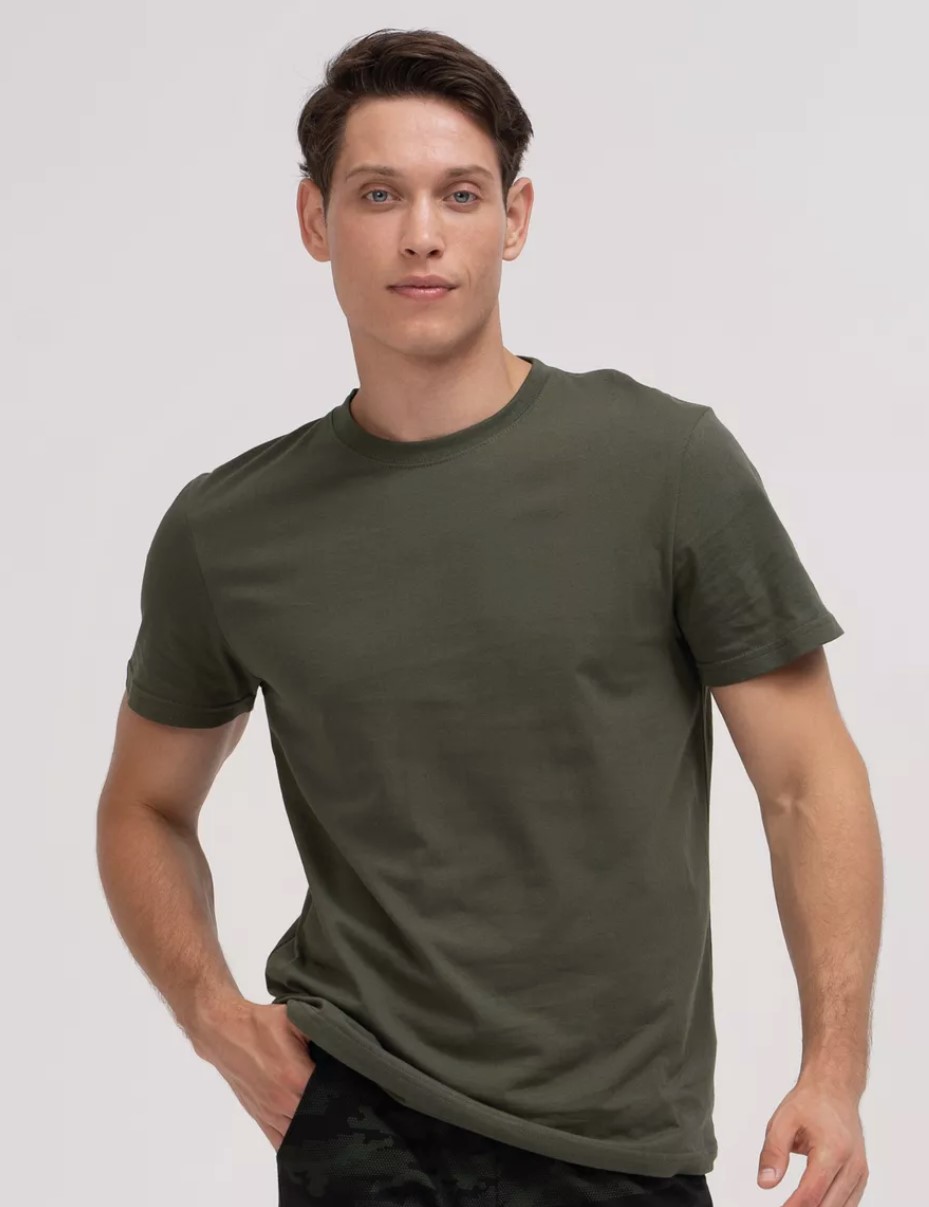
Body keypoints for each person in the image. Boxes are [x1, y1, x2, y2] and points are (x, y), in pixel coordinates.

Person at [96, 26, 880, 1207]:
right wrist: (217, 1022)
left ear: (513, 219)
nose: (420, 233)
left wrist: (834, 1068)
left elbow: (806, 779)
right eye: (378, 194)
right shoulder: (229, 529)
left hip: (616, 1143)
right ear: (314, 220)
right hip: (358, 1112)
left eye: (458, 194)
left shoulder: (665, 467)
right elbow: (143, 805)